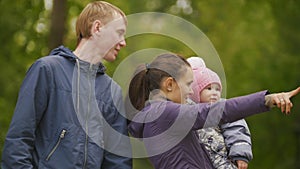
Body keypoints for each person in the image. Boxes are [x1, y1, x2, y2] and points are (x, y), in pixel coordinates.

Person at [2, 1, 132, 169]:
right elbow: (19, 140)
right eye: (119, 33)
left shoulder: (112, 91)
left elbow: (118, 161)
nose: (123, 42)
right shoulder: (47, 70)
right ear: (97, 28)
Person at [126, 53, 300, 169]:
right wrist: (266, 100)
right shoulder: (164, 113)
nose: (191, 91)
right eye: (188, 84)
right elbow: (218, 111)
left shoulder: (156, 116)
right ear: (169, 84)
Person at [187, 56, 252, 169]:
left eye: (217, 89)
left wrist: (240, 153)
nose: (214, 93)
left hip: (223, 162)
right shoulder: (186, 111)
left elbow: (236, 128)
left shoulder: (222, 108)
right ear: (195, 91)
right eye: (209, 89)